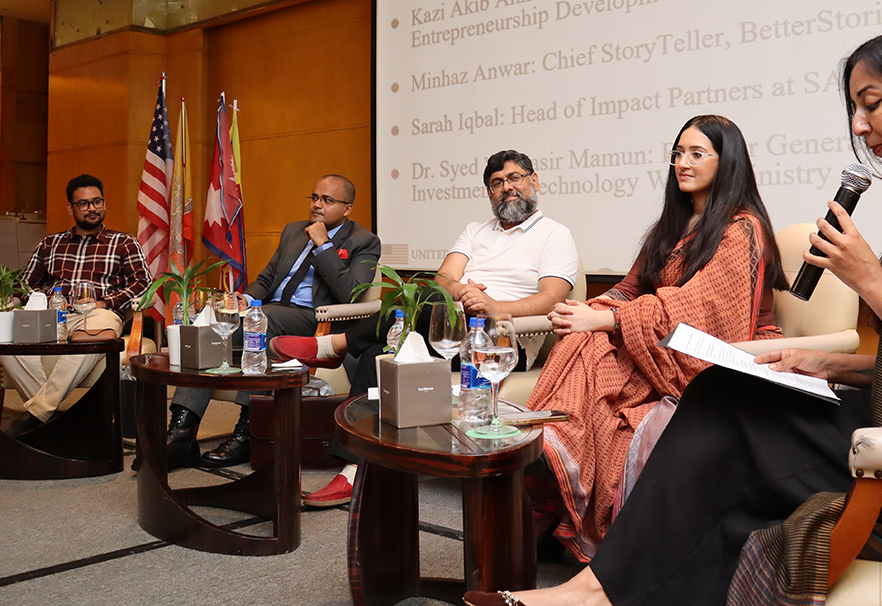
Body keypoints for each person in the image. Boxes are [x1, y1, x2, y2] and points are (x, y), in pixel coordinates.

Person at [464, 26, 882, 606]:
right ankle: (599, 585)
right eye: (855, 110)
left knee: (728, 415)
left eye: (873, 105)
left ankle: (596, 592)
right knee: (724, 391)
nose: (861, 128)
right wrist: (824, 361)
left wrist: (867, 275)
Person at [521, 114, 788, 563]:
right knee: (586, 334)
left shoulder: (742, 228)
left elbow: (701, 310)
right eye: (678, 153)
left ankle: (558, 448)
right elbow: (630, 288)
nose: (683, 163)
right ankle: (557, 454)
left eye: (697, 154)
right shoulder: (675, 223)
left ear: (728, 163)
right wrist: (588, 310)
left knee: (597, 336)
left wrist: (605, 321)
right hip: (663, 344)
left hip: (725, 353)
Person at [273, 149, 579, 507]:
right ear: (489, 193)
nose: (507, 188)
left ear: (533, 181)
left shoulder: (555, 235)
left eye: (515, 178)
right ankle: (355, 472)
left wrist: (497, 307)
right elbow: (444, 278)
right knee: (381, 349)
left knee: (420, 298)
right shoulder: (475, 231)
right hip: (450, 328)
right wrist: (462, 291)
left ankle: (335, 345)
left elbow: (552, 298)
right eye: (497, 183)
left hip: (498, 340)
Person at [164, 174, 380, 468]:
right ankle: (182, 430)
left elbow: (350, 293)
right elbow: (267, 278)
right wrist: (245, 298)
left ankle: (250, 431)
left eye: (327, 200)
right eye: (314, 197)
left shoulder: (364, 241)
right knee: (211, 325)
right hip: (273, 310)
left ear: (347, 208)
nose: (317, 205)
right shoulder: (293, 231)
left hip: (316, 319)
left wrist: (323, 246)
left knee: (262, 321)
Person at [3, 174, 151, 436]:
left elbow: (143, 282)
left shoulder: (123, 243)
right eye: (83, 204)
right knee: (5, 339)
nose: (92, 208)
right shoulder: (50, 244)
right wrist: (41, 299)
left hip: (98, 314)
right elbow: (25, 284)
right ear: (70, 208)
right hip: (52, 314)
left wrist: (105, 302)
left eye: (97, 202)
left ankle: (39, 413)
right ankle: (53, 416)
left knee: (94, 333)